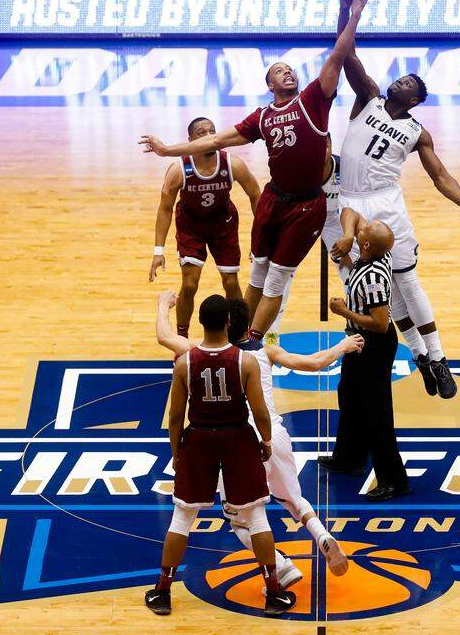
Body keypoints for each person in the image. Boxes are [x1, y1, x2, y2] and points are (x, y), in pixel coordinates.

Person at [140, 0, 375, 342]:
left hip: (306, 205)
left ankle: (251, 343)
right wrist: (167, 150)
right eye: (280, 71)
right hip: (273, 199)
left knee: (276, 279)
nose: (288, 73)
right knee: (257, 274)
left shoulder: (313, 100)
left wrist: (353, 13)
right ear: (269, 84)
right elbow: (215, 141)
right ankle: (236, 337)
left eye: (291, 70)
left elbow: (339, 53)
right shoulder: (262, 117)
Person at [330, 0, 460, 399]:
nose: (398, 80)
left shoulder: (418, 132)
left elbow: (440, 175)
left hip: (385, 203)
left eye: (407, 82)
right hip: (349, 201)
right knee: (380, 287)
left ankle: (438, 357)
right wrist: (347, 8)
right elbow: (345, 53)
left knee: (407, 281)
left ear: (414, 99)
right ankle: (419, 355)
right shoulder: (369, 98)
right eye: (399, 77)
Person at [155, 291, 360, 581]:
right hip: (274, 433)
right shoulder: (267, 351)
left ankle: (282, 568)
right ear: (244, 324)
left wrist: (163, 304)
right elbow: (314, 363)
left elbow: (164, 336)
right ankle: (321, 534)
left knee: (241, 521)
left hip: (242, 440)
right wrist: (343, 345)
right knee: (293, 499)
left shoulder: (201, 352)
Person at [143, 295, 295, 617]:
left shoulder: (185, 362)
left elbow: (174, 416)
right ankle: (273, 592)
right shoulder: (246, 361)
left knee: (182, 517)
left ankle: (162, 591)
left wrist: (176, 452)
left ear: (200, 322)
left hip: (199, 439)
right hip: (238, 438)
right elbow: (261, 412)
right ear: (229, 322)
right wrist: (266, 441)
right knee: (256, 517)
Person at [320, 208, 410, 501]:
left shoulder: (372, 278)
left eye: (362, 234)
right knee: (349, 394)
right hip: (359, 340)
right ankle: (350, 458)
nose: (359, 231)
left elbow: (381, 324)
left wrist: (343, 311)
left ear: (367, 245)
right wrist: (348, 237)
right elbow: (352, 212)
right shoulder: (380, 253)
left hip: (374, 343)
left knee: (376, 412)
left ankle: (394, 480)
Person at [149, 117, 262, 337]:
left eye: (212, 131)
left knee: (231, 282)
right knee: (190, 284)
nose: (209, 136)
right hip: (191, 227)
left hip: (224, 225)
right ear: (190, 140)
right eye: (202, 133)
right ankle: (182, 338)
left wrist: (260, 239)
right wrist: (158, 251)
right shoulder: (179, 169)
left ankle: (239, 335)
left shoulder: (232, 164)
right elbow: (165, 209)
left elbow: (256, 195)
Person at [268, 133, 349, 342]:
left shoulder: (345, 169)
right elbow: (276, 206)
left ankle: (358, 325)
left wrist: (349, 235)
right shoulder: (294, 169)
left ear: (331, 144)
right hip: (302, 219)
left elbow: (355, 204)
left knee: (351, 267)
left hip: (333, 219)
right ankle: (270, 336)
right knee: (281, 274)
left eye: (325, 144)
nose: (321, 150)